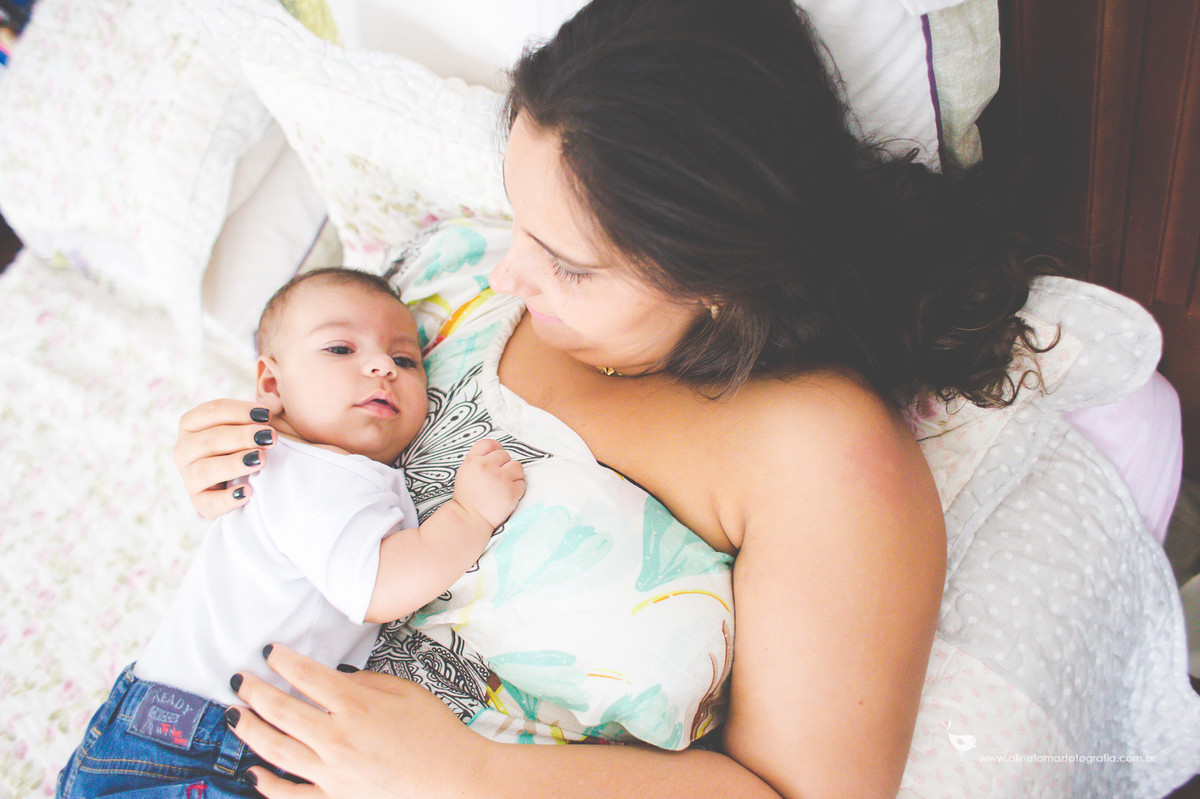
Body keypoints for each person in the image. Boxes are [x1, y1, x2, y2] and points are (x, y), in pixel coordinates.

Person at [172, 1, 1050, 796]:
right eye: (519, 219)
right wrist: (245, 457)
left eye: (569, 265)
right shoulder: (453, 274)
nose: (511, 275)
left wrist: (469, 777)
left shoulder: (823, 460)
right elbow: (322, 465)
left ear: (718, 277)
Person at [58, 268, 526, 798]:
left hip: (176, 730)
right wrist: (470, 513)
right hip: (206, 742)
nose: (381, 367)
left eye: (405, 360)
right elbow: (380, 587)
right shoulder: (316, 472)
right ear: (272, 385)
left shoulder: (300, 467)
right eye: (340, 349)